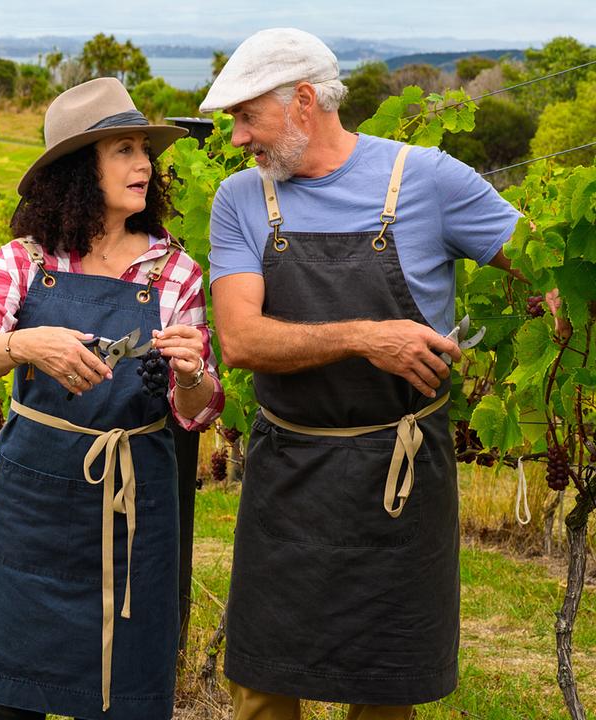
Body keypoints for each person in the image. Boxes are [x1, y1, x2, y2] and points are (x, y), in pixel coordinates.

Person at [203, 28, 522, 720]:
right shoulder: (240, 199)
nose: (237, 138)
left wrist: (550, 315)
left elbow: (544, 264)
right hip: (288, 471)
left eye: (246, 116)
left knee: (386, 684)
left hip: (399, 475)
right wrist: (366, 337)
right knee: (263, 681)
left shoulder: (429, 178)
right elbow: (241, 340)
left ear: (304, 100)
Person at [0, 77, 225, 719]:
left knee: (123, 693)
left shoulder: (175, 271)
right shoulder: (25, 261)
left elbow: (197, 409)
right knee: (13, 702)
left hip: (134, 507)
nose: (143, 164)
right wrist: (25, 343)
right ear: (80, 170)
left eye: (144, 150)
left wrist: (191, 372)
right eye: (123, 150)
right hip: (33, 503)